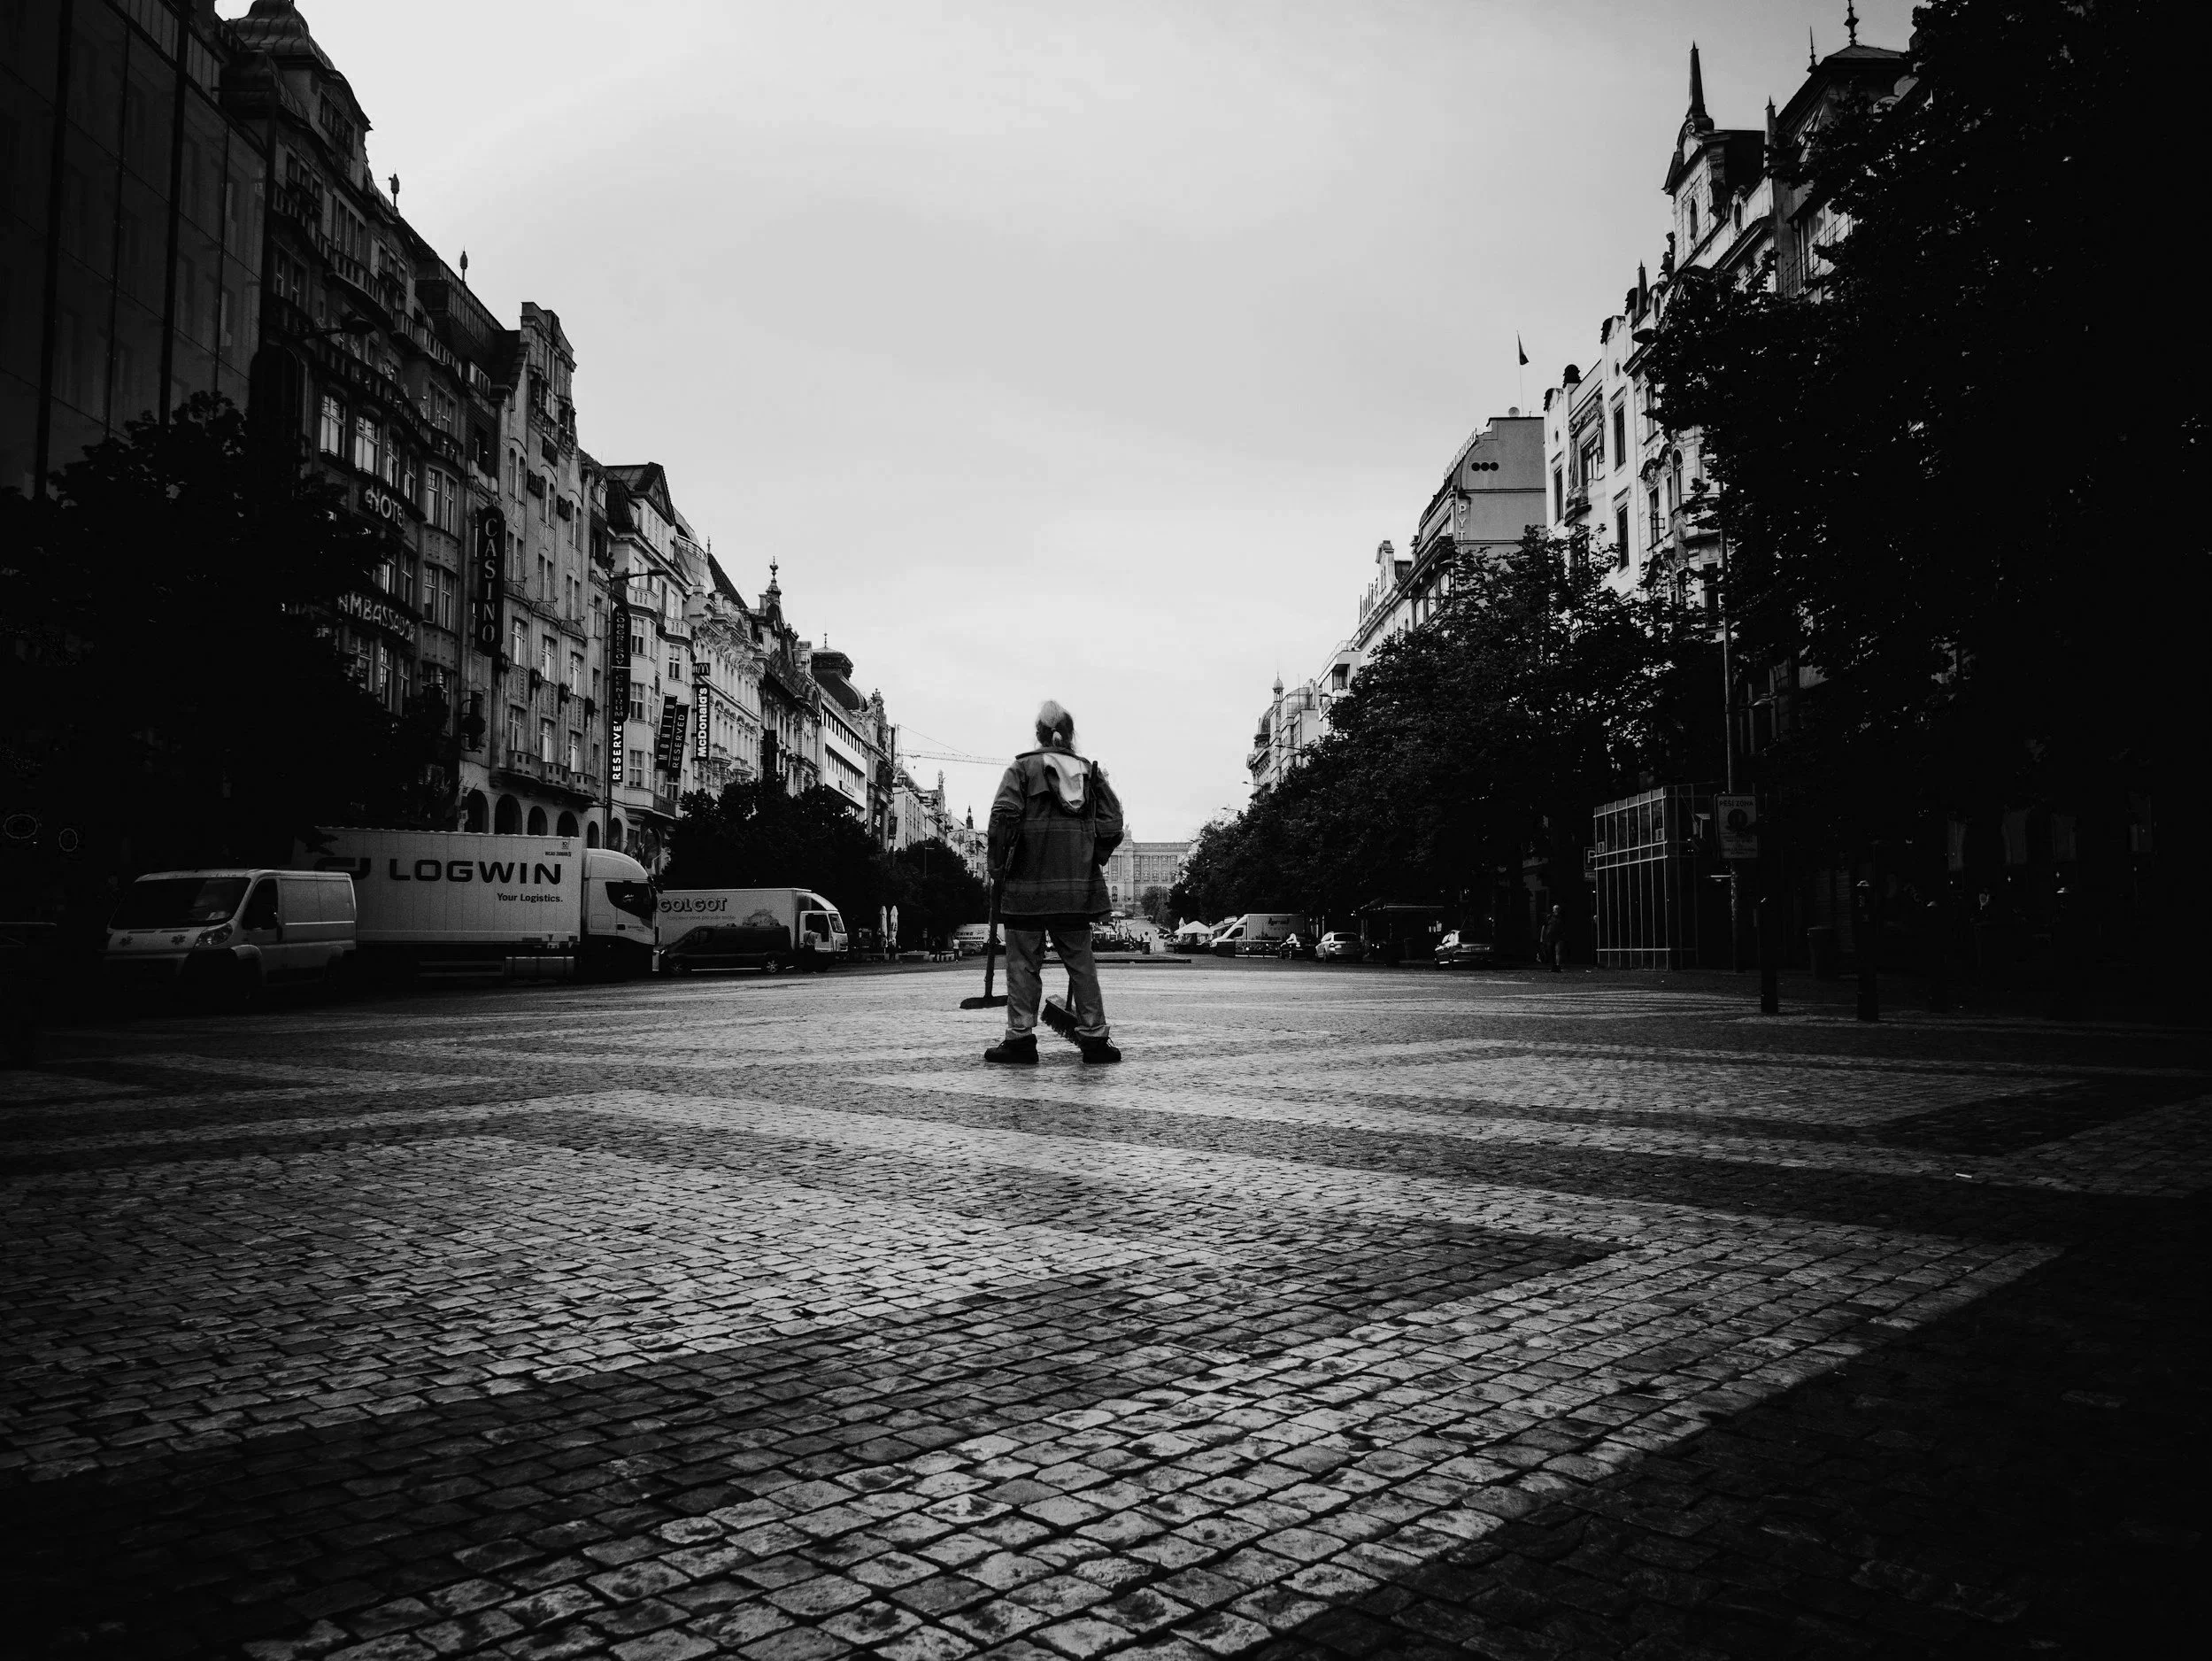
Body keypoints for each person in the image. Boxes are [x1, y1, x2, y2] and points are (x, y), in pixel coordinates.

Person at [983, 701, 1125, 1064]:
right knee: (1081, 962)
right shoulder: (1089, 774)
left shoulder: (1021, 769)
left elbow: (1003, 819)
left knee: (1022, 965)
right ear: (1070, 735)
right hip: (1074, 890)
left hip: (1024, 889)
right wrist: (1089, 853)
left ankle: (1020, 1039)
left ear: (1038, 735)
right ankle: (1094, 1039)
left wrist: (997, 866)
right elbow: (1112, 824)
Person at [1541, 903, 1566, 972]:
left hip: (1559, 937)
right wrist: (1542, 937)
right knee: (1551, 952)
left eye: (1558, 909)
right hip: (1550, 937)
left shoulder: (1562, 917)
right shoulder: (1549, 917)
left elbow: (1564, 927)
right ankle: (1553, 966)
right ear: (1553, 910)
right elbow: (1544, 927)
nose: (1556, 910)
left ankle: (1558, 966)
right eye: (1555, 909)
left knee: (1558, 951)